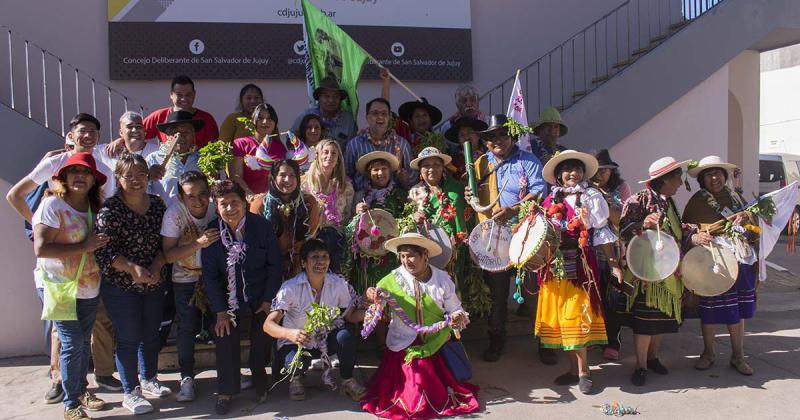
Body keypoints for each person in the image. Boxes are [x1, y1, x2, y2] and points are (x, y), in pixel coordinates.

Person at [6, 113, 118, 402]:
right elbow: (15, 196)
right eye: (82, 131)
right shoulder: (54, 166)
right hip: (58, 277)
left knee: (88, 332)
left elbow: (104, 213)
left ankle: (91, 382)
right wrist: (42, 224)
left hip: (89, 275)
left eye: (93, 131)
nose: (88, 136)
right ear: (70, 135)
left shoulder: (102, 168)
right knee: (68, 339)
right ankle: (67, 387)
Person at [361, 232, 479, 419]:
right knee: (416, 381)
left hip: (435, 342)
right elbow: (375, 309)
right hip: (403, 343)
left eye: (411, 256)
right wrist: (370, 296)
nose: (407, 261)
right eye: (403, 256)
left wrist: (456, 318)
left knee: (426, 379)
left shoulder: (441, 279)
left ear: (425, 255)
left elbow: (456, 309)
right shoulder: (391, 281)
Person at [619, 157, 712, 386]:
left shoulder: (669, 203)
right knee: (644, 321)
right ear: (665, 179)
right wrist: (644, 225)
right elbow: (625, 229)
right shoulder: (639, 199)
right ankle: (640, 365)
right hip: (647, 273)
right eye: (677, 178)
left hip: (667, 271)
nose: (680, 183)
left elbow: (677, 231)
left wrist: (694, 236)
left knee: (658, 319)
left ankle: (652, 358)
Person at [536, 150, 620, 394]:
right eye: (567, 169)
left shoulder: (591, 195)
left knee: (576, 315)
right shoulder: (552, 198)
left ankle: (585, 372)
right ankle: (573, 369)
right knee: (563, 317)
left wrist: (613, 263)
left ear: (583, 173)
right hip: (555, 264)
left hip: (581, 262)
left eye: (577, 169)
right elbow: (543, 231)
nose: (572, 173)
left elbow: (602, 231)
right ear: (559, 176)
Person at [33, 153, 109, 420]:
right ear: (63, 177)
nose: (80, 176)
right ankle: (71, 402)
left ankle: (80, 390)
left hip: (88, 284)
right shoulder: (52, 206)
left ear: (93, 180)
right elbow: (41, 248)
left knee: (81, 343)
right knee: (72, 342)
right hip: (58, 286)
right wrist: (84, 246)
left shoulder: (93, 208)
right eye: (73, 171)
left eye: (86, 172)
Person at [465, 114, 546, 362]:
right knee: (497, 294)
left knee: (533, 290)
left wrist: (514, 209)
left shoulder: (529, 160)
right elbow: (473, 197)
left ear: (511, 136)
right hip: (494, 238)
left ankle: (545, 341)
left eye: (501, 134)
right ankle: (496, 339)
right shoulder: (478, 164)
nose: (496, 140)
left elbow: (539, 191)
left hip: (525, 234)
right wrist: (469, 193)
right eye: (491, 137)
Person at [94, 154, 171, 414]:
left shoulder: (159, 205)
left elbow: (167, 243)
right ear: (119, 178)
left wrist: (157, 267)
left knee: (151, 335)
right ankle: (131, 390)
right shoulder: (110, 209)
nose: (136, 180)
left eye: (141, 174)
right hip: (120, 286)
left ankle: (149, 379)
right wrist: (132, 268)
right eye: (129, 175)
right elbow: (104, 252)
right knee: (128, 337)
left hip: (154, 281)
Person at [201, 180, 282, 414]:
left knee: (263, 332)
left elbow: (274, 266)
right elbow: (210, 276)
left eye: (234, 202)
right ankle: (226, 391)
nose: (229, 208)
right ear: (216, 207)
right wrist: (220, 311)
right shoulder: (213, 232)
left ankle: (260, 381)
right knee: (224, 334)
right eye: (223, 204)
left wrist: (268, 301)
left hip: (260, 296)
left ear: (245, 203)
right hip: (228, 301)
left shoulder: (261, 227)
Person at [264, 239, 367, 401]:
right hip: (297, 344)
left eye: (325, 256)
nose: (321, 262)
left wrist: (372, 313)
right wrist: (290, 334)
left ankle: (347, 380)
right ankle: (295, 378)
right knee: (296, 361)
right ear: (304, 263)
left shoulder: (338, 284)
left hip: (325, 342)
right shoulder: (290, 288)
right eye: (315, 257)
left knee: (345, 336)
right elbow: (268, 325)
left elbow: (350, 316)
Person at [683, 155, 758, 375]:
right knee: (710, 307)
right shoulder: (697, 201)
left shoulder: (735, 197)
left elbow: (753, 223)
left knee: (736, 309)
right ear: (702, 179)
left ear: (724, 176)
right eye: (709, 174)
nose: (714, 178)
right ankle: (708, 353)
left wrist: (746, 216)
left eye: (718, 173)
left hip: (740, 257)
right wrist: (698, 235)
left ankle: (738, 355)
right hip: (712, 259)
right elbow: (687, 227)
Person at [160, 171, 218, 402]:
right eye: (190, 195)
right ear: (181, 198)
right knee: (186, 327)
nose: (198, 200)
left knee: (220, 324)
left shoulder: (216, 209)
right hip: (184, 278)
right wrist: (198, 244)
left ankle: (227, 372)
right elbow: (168, 255)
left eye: (203, 194)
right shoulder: (174, 214)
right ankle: (186, 377)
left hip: (214, 278)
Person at [408, 147, 486, 315]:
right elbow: (406, 225)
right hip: (429, 253)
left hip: (457, 251)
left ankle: (456, 333)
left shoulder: (458, 188)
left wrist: (471, 196)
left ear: (443, 167)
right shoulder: (414, 194)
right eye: (426, 165)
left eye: (436, 164)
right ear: (420, 170)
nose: (431, 169)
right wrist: (413, 218)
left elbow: (472, 209)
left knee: (456, 295)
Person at [344, 151, 408, 294]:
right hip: (366, 259)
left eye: (384, 169)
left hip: (392, 256)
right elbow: (349, 228)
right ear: (368, 173)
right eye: (375, 169)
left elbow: (407, 223)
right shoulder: (360, 196)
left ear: (390, 171)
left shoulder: (400, 196)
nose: (380, 173)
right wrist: (357, 215)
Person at [590, 149, 632, 361]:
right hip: (589, 249)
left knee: (614, 295)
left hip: (615, 249)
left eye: (604, 170)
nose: (600, 174)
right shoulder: (584, 189)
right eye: (596, 170)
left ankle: (613, 341)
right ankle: (596, 337)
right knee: (593, 295)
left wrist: (602, 202)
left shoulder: (621, 188)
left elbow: (623, 220)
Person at [231, 103, 309, 211]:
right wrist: (250, 195)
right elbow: (236, 176)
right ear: (254, 121)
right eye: (261, 118)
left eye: (269, 119)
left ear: (275, 123)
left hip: (275, 204)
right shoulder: (241, 144)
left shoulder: (279, 146)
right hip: (249, 202)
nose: (265, 122)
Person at [259, 160, 321, 279]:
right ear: (273, 178)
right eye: (282, 175)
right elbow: (258, 243)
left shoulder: (308, 203)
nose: (287, 180)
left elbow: (309, 237)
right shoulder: (261, 205)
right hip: (268, 266)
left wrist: (297, 265)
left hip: (301, 263)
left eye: (292, 175)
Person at [301, 139, 354, 274]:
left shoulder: (345, 187)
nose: (329, 156)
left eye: (334, 153)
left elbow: (347, 218)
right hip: (308, 235)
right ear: (318, 155)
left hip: (334, 239)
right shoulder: (304, 183)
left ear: (338, 160)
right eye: (325, 152)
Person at [344, 98, 416, 191]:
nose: (380, 117)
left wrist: (406, 180)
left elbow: (413, 175)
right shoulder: (354, 144)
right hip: (362, 199)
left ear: (390, 117)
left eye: (384, 113)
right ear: (367, 117)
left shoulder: (402, 144)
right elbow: (347, 176)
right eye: (375, 113)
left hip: (395, 200)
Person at [143, 75, 219, 149]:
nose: (183, 99)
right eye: (179, 95)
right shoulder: (159, 116)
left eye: (188, 95)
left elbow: (212, 149)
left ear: (194, 94)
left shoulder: (206, 119)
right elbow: (136, 135)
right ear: (171, 95)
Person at [146, 111, 203, 207]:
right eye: (175, 133)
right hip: (164, 217)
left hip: (197, 218)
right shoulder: (153, 159)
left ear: (193, 135)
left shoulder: (202, 160)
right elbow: (140, 191)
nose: (181, 137)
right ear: (167, 137)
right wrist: (148, 177)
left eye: (186, 132)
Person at [291, 77, 357, 151]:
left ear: (340, 100)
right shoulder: (306, 115)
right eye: (326, 96)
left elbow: (353, 148)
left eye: (335, 96)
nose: (331, 100)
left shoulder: (348, 119)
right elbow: (290, 140)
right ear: (319, 98)